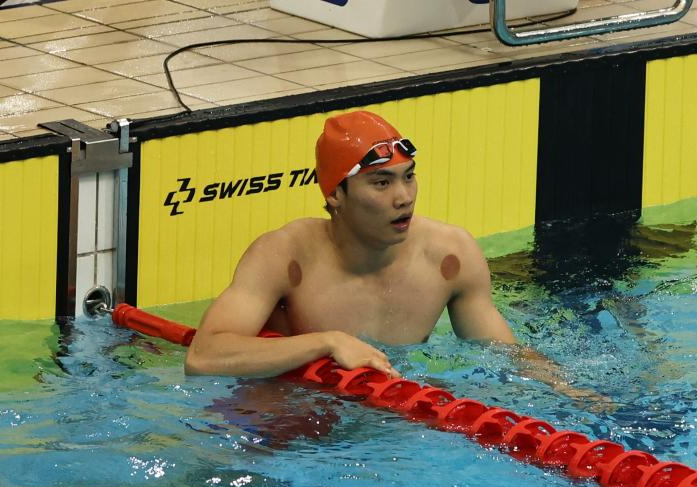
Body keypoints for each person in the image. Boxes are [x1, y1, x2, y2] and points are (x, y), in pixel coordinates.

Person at [185, 110, 606, 408]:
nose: (403, 197)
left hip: (394, 419)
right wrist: (326, 342)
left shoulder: (449, 256)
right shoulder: (285, 256)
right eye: (381, 183)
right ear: (335, 194)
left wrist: (570, 393)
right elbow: (204, 357)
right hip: (290, 416)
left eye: (408, 177)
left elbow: (501, 353)